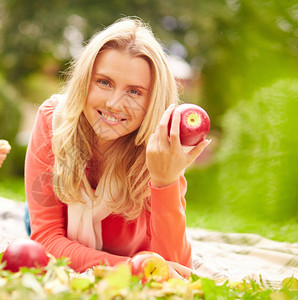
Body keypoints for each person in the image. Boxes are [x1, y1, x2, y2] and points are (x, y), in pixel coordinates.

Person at [24, 17, 211, 278]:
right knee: (32, 217)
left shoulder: (159, 147)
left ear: (152, 101)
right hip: (59, 211)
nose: (114, 103)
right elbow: (45, 239)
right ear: (85, 81)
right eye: (104, 82)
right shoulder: (54, 119)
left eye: (134, 92)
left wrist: (164, 180)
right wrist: (129, 268)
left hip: (117, 240)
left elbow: (175, 268)